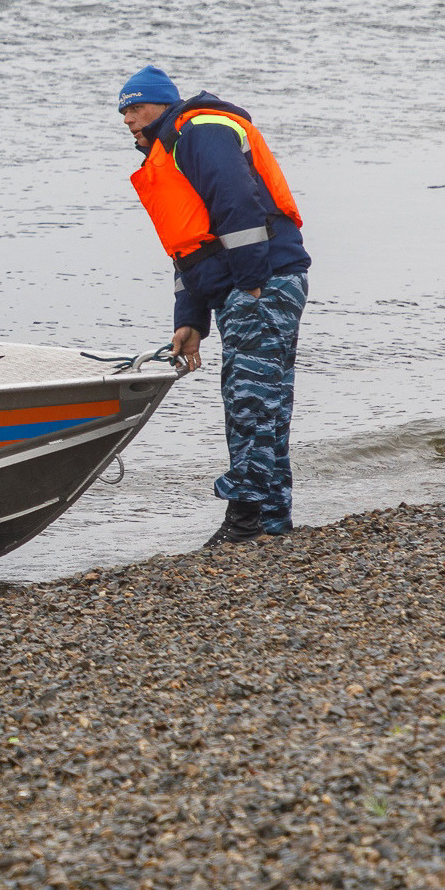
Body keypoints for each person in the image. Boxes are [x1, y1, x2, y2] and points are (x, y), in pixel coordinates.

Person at [116, 65, 312, 547]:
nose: (128, 119)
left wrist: (250, 282)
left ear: (163, 104)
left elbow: (237, 202)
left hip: (261, 281)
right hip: (246, 285)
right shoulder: (168, 151)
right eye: (122, 112)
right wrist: (190, 320)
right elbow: (189, 247)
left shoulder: (200, 130)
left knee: (250, 401)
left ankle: (245, 520)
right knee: (266, 402)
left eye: (136, 107)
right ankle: (269, 521)